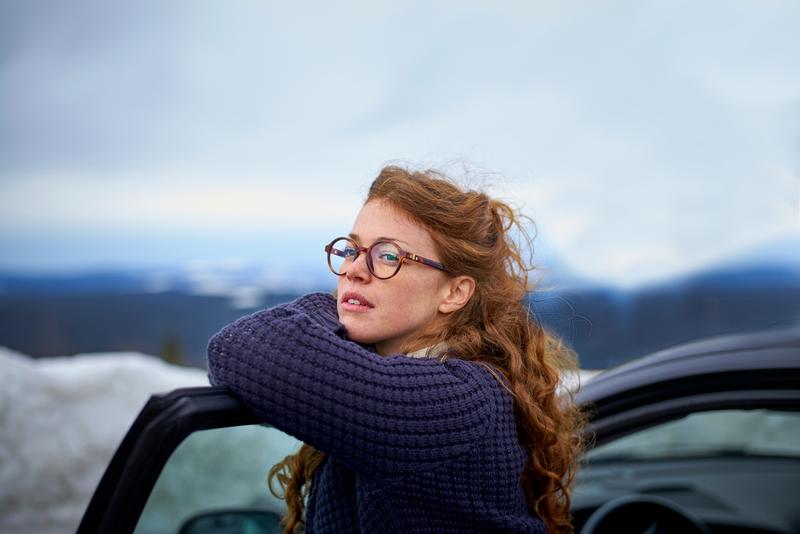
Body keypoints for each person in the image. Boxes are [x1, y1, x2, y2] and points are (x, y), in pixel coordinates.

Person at [207, 165, 585, 533]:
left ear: (454, 292)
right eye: (353, 249)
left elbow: (238, 349)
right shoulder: (423, 377)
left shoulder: (453, 402)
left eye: (388, 256)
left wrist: (336, 308)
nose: (354, 269)